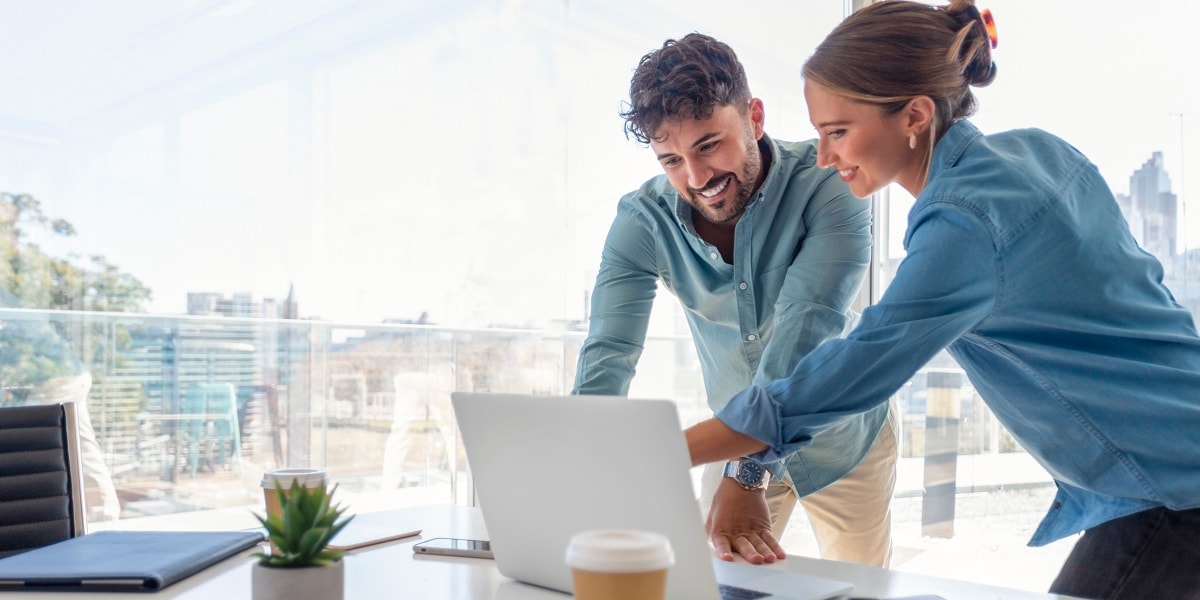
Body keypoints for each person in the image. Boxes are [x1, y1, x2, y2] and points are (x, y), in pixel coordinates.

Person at [683, 2, 1200, 598]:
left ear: (915, 116)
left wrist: (673, 452)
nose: (824, 157)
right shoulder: (1040, 152)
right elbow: (1142, 289)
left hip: (1169, 488)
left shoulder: (964, 223)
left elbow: (854, 369)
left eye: (838, 132)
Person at [573, 33, 898, 567]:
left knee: (858, 586)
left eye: (708, 145)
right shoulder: (642, 221)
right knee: (719, 585)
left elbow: (803, 329)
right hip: (731, 449)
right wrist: (576, 464)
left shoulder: (827, 185)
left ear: (754, 117)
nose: (697, 178)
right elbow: (608, 353)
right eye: (671, 159)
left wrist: (747, 472)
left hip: (845, 444)